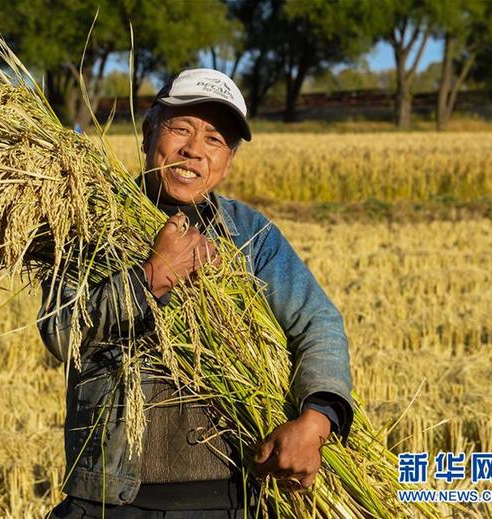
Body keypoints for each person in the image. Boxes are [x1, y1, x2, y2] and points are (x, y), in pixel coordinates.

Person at [39, 68, 354, 517]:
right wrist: (152, 275)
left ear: (229, 160)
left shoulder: (251, 236)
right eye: (181, 128)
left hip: (228, 498)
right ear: (149, 134)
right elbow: (61, 331)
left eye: (215, 139)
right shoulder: (91, 228)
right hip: (110, 500)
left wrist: (316, 421)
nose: (193, 150)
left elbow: (318, 323)